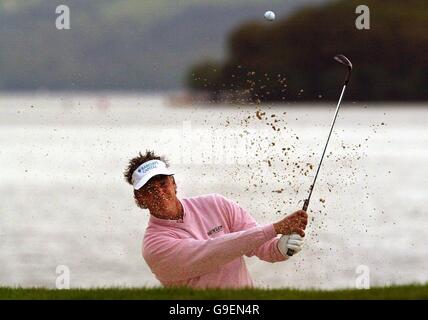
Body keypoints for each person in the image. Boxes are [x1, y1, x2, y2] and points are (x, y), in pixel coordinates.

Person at [123, 150, 308, 288]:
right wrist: (275, 228)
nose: (159, 193)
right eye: (150, 190)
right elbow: (211, 252)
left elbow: (263, 248)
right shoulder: (154, 246)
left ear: (174, 183)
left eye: (163, 184)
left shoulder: (216, 204)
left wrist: (282, 248)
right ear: (140, 199)